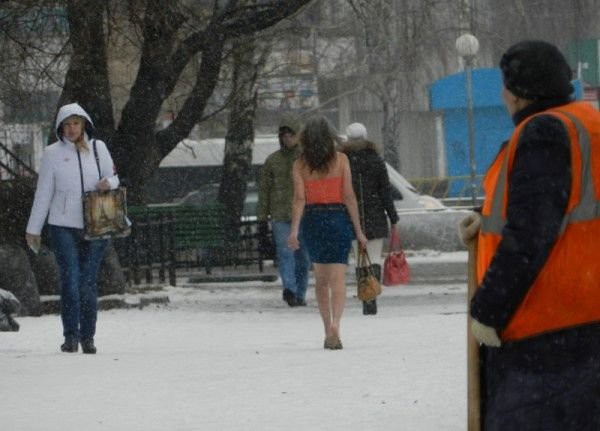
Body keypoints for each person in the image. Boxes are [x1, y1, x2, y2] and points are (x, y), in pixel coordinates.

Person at [459, 40, 600, 429]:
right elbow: (566, 207)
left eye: (506, 85)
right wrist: (483, 218)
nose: (502, 95)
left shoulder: (544, 133)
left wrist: (489, 310)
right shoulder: (587, 122)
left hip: (546, 331)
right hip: (588, 319)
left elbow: (530, 233)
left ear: (521, 93)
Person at [25, 102, 119, 354]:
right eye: (66, 124)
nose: (71, 129)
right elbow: (43, 193)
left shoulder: (99, 148)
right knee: (70, 280)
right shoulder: (52, 153)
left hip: (96, 224)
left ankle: (88, 337)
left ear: (84, 124)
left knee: (87, 282)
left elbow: (114, 177)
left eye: (75, 123)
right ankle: (71, 336)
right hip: (62, 225)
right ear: (60, 127)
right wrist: (33, 228)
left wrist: (107, 182)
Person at [287, 116, 367, 349]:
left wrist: (293, 231)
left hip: (313, 221)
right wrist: (359, 231)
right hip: (338, 218)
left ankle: (326, 328)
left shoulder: (299, 165)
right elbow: (349, 196)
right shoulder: (342, 160)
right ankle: (337, 325)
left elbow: (299, 199)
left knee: (321, 281)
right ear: (330, 136)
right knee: (338, 278)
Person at [341, 122, 399, 315]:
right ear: (366, 137)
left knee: (360, 259)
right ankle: (372, 295)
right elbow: (385, 191)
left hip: (351, 216)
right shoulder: (376, 160)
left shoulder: (343, 161)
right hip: (375, 215)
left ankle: (365, 294)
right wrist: (393, 216)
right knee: (373, 258)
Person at [257, 114, 311, 307]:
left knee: (302, 256)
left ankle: (300, 293)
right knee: (285, 253)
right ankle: (290, 289)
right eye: (283, 134)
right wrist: (262, 217)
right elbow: (264, 190)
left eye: (291, 133)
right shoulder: (273, 161)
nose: (287, 137)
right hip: (280, 214)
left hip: (303, 214)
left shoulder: (307, 159)